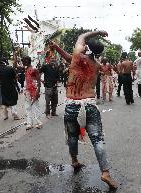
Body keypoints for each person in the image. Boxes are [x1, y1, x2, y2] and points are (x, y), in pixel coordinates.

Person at [49, 31, 118, 189]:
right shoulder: (97, 65)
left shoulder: (78, 56)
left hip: (72, 105)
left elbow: (81, 36)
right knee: (97, 140)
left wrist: (99, 32)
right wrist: (57, 48)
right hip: (89, 105)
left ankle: (74, 161)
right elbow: (69, 58)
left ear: (86, 47)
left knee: (72, 136)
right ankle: (105, 172)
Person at [22, 56, 42, 130]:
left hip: (34, 91)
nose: (22, 62)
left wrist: (38, 92)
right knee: (28, 107)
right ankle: (29, 123)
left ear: (27, 61)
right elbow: (15, 66)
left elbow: (39, 81)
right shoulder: (26, 69)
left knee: (36, 107)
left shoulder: (34, 70)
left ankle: (39, 122)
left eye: (23, 60)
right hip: (27, 90)